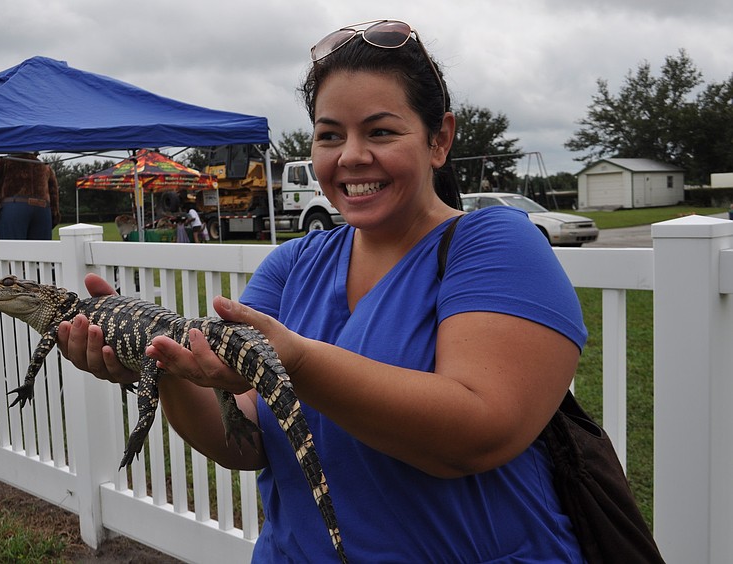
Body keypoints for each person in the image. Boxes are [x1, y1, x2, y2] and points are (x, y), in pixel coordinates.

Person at [57, 20, 587, 562]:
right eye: (330, 135)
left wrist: (300, 364)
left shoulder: (496, 244)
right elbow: (245, 439)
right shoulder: (292, 264)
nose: (351, 156)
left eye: (380, 132)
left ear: (440, 138)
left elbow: (480, 432)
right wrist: (162, 362)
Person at [0, 152, 60, 240]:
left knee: (12, 250)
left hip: (14, 207)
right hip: (42, 209)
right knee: (41, 251)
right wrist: (54, 215)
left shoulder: (2, 162)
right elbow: (54, 193)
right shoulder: (45, 167)